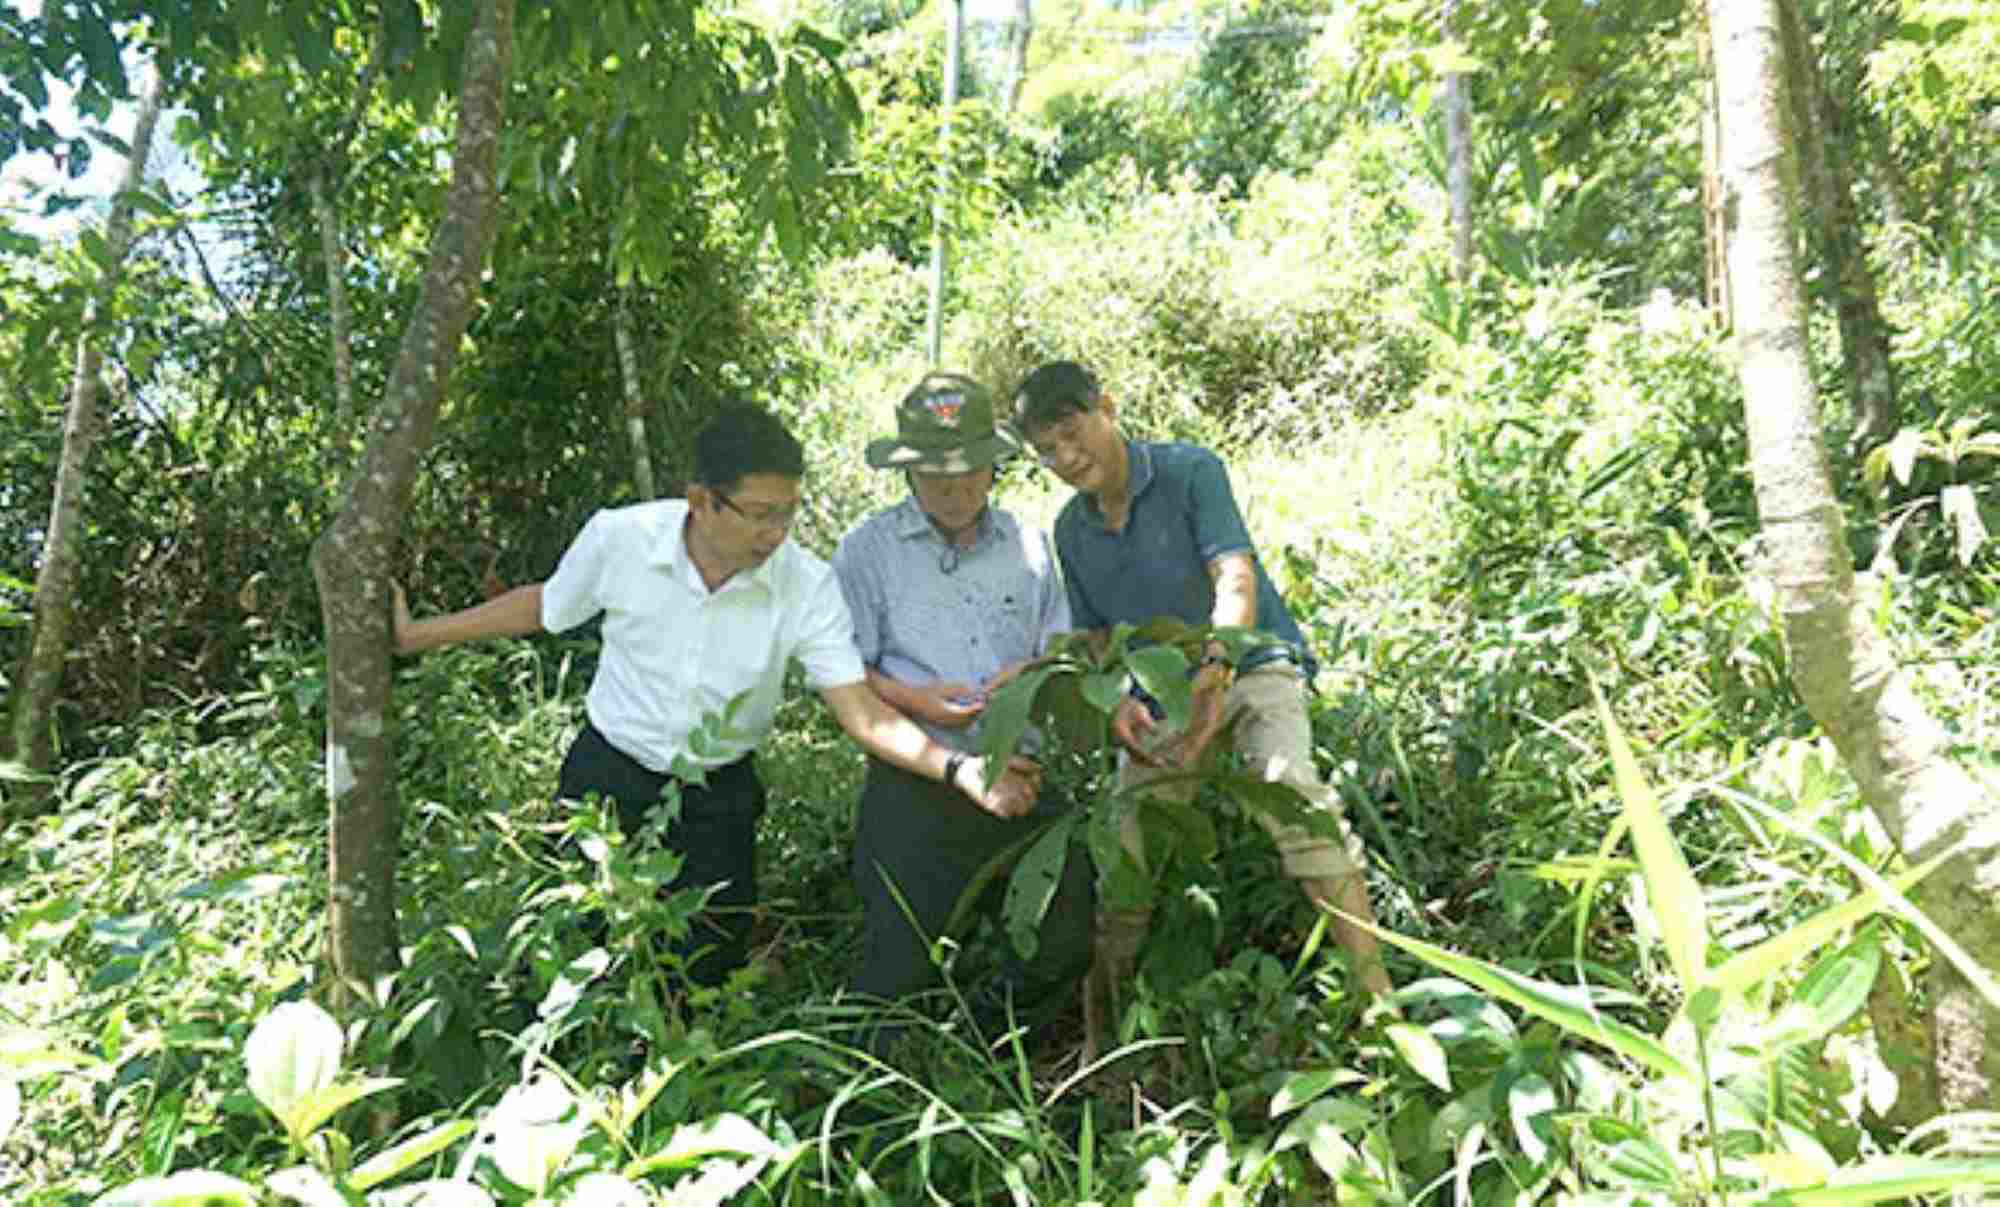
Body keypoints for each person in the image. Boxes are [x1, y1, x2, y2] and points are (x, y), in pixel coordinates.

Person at [393, 401, 1040, 989]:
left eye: (787, 511)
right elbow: (545, 606)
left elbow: (861, 711)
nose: (776, 532)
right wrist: (418, 635)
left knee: (706, 970)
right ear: (701, 500)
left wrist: (959, 768)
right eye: (759, 513)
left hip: (717, 799)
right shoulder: (621, 539)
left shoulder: (804, 586)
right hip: (606, 778)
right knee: (571, 957)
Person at [1009, 361, 1393, 1005]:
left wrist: (1216, 674)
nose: (1066, 458)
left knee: (1291, 791)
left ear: (1107, 405)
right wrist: (1121, 703)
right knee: (1126, 855)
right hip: (1163, 699)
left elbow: (1234, 577)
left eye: (1073, 433)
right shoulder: (1071, 530)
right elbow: (1101, 637)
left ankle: (1378, 1000)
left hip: (1248, 663)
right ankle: (1107, 1033)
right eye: (1046, 450)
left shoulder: (1190, 472)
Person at [830, 374, 1094, 1037]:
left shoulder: (1029, 545)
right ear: (908, 471)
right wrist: (916, 697)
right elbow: (846, 675)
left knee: (1062, 936)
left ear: (994, 466)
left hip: (1021, 777)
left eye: (971, 473)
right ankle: (866, 1102)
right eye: (936, 476)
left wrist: (1029, 676)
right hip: (917, 774)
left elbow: (1063, 651)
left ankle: (985, 1049)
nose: (955, 491)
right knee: (895, 964)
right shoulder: (869, 552)